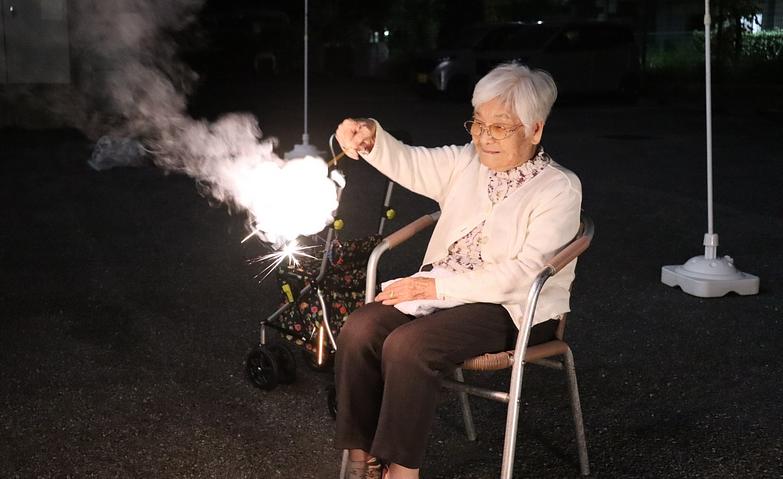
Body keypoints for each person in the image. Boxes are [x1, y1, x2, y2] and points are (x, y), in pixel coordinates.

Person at [333, 62, 582, 479]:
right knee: (360, 328)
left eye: (500, 127)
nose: (484, 137)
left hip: (512, 309)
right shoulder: (468, 161)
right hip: (440, 293)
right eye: (478, 123)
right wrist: (372, 140)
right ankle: (362, 460)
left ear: (535, 130)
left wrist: (435, 285)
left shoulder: (559, 187)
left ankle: (402, 472)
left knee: (408, 347)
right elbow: (412, 163)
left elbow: (523, 274)